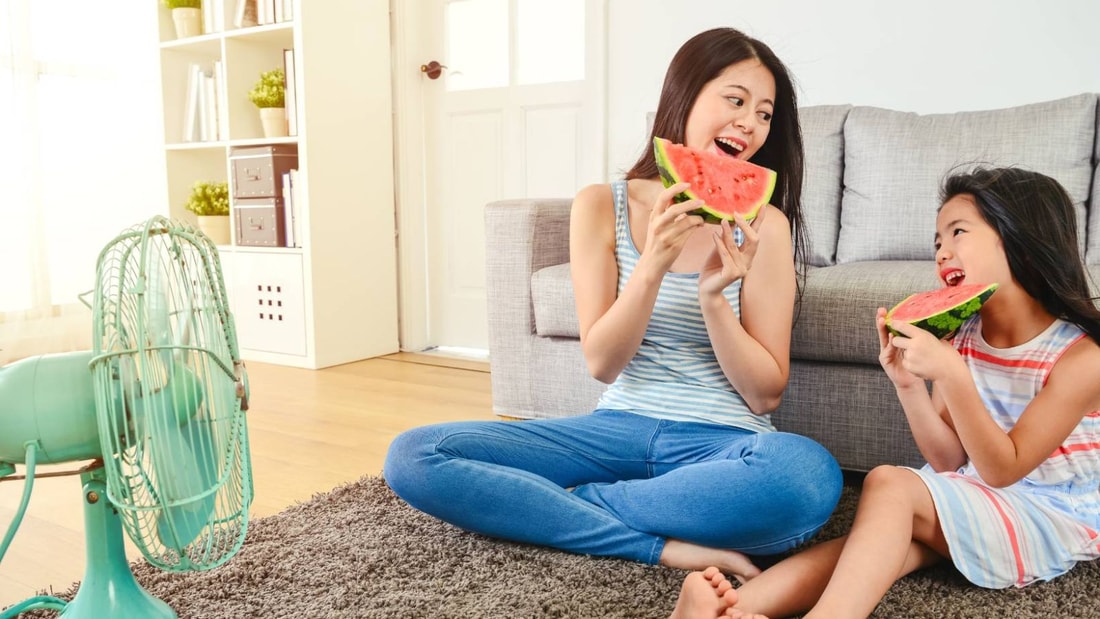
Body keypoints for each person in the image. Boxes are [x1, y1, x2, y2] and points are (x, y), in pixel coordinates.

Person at [383, 27, 842, 583]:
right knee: (414, 455)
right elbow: (602, 362)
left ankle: (560, 504)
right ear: (684, 96)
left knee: (806, 477)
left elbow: (764, 393)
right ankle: (660, 543)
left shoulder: (764, 223)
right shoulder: (601, 205)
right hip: (611, 432)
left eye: (765, 114)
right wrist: (650, 268)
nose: (750, 123)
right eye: (736, 100)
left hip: (721, 445)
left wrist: (714, 299)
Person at [685, 166, 1100, 619]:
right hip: (978, 491)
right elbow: (947, 461)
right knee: (872, 545)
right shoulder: (963, 334)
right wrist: (907, 385)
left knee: (889, 485)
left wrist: (955, 377)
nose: (942, 252)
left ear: (1022, 235)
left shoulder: (1082, 359)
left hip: (1049, 514)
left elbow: (1004, 468)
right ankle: (727, 610)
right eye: (937, 242)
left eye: (958, 232)